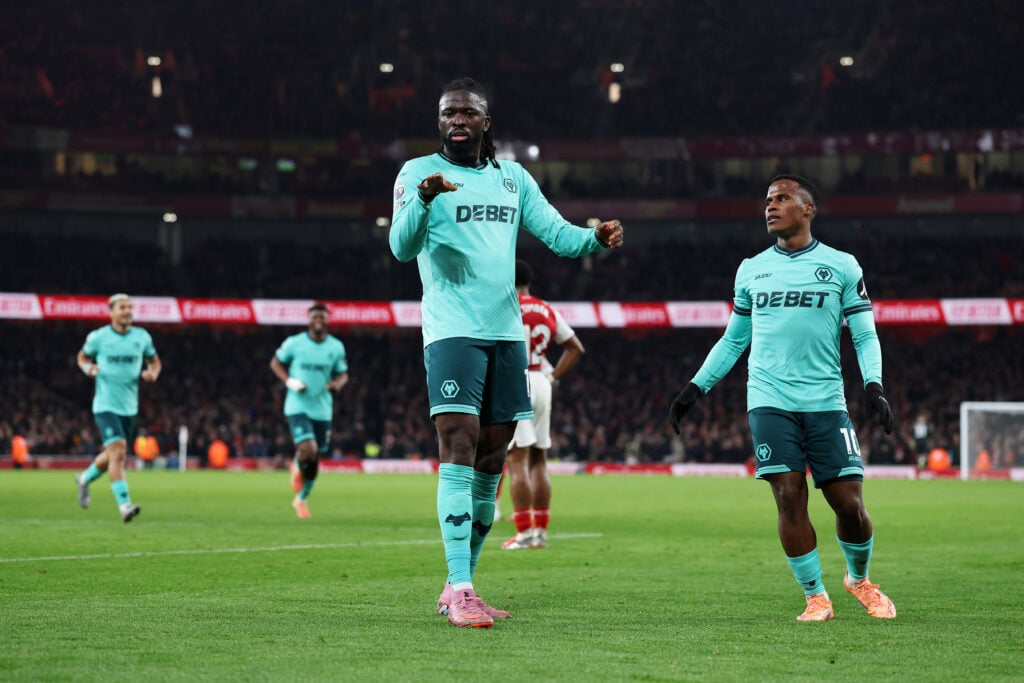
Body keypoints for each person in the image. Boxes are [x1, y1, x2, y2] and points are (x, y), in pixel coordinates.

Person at [389, 77, 623, 628]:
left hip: (506, 335)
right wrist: (424, 200)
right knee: (459, 443)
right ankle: (464, 586)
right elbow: (401, 247)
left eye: (468, 112)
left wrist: (595, 238)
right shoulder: (417, 173)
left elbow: (559, 235)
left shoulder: (512, 179)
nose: (457, 120)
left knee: (493, 459)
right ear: (439, 121)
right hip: (451, 330)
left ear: (486, 122)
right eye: (448, 112)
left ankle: (459, 583)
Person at [667, 175, 896, 622]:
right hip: (769, 400)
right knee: (789, 496)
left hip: (827, 402)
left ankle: (859, 579)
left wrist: (874, 385)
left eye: (783, 198)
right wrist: (694, 388)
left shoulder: (842, 266)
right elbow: (734, 341)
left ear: (808, 209)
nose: (771, 206)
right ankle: (815, 597)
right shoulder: (751, 268)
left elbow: (865, 333)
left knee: (848, 504)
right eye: (768, 200)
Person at [502, 259, 585, 551]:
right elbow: (576, 348)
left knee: (517, 460)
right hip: (541, 379)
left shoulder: (505, 305)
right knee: (539, 459)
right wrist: (553, 376)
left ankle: (523, 533)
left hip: (515, 381)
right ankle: (540, 534)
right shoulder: (546, 308)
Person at [75, 293, 161, 522]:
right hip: (105, 405)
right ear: (111, 312)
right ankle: (125, 506)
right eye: (122, 307)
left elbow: (154, 361)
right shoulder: (99, 337)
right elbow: (82, 357)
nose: (127, 311)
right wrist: (88, 369)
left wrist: (152, 373)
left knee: (112, 455)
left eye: (130, 307)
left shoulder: (141, 337)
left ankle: (83, 479)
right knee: (120, 452)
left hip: (129, 407)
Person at [269, 302, 349, 519]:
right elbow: (275, 362)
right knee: (309, 448)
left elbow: (343, 373)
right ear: (308, 318)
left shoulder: (336, 347)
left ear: (327, 320)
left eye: (322, 317)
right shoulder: (294, 343)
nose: (319, 320)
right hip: (297, 405)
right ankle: (296, 465)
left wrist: (337, 384)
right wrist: (289, 381)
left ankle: (301, 499)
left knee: (314, 459)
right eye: (315, 316)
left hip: (323, 409)